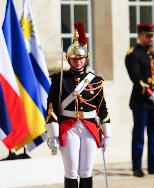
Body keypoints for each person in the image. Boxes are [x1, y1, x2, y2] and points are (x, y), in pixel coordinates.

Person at [45, 22, 111, 188]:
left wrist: (106, 134)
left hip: (89, 127)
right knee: (72, 171)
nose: (78, 61)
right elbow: (51, 108)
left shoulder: (95, 80)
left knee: (86, 170)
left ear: (85, 58)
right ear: (68, 59)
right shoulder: (60, 80)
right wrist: (53, 134)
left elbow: (102, 108)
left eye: (81, 58)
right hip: (69, 127)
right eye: (74, 58)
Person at [125, 24, 154, 177]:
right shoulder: (133, 54)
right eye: (147, 36)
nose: (150, 38)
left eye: (151, 36)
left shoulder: (153, 55)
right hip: (141, 100)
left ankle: (153, 166)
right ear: (140, 36)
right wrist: (150, 93)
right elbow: (136, 78)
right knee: (139, 134)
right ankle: (137, 167)